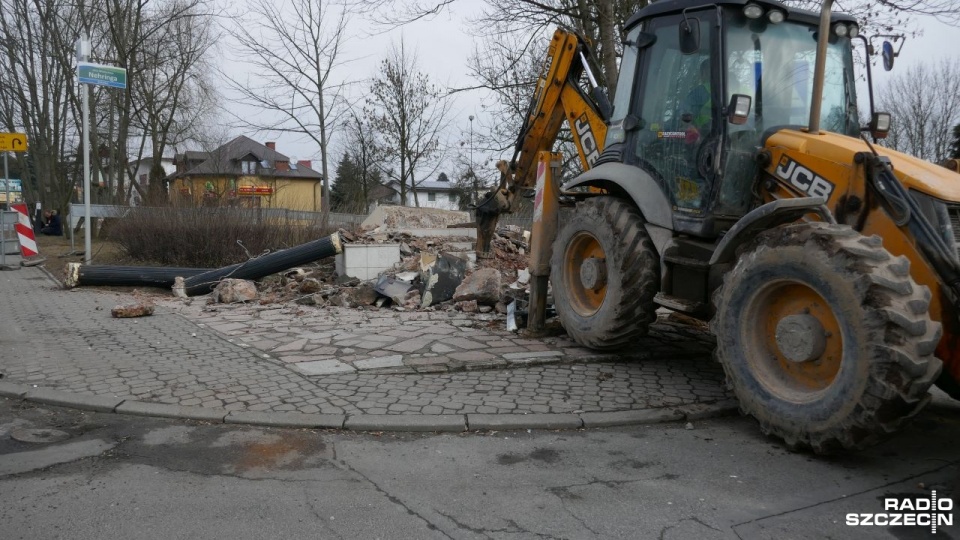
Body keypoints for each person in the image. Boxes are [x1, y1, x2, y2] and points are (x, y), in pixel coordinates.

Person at [682, 58, 713, 143]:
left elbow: (685, 114)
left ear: (704, 73)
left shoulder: (700, 92)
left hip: (703, 137)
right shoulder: (732, 90)